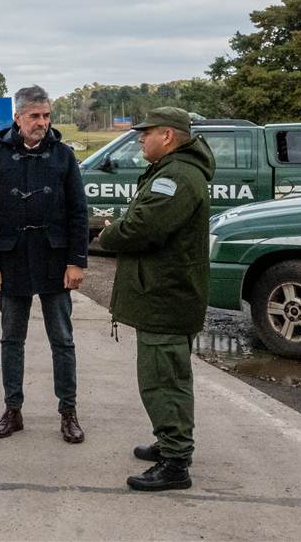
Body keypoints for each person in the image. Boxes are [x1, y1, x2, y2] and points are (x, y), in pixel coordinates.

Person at [98, 107, 215, 492]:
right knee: (164, 376)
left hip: (167, 296)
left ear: (167, 135)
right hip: (165, 293)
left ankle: (176, 462)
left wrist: (110, 234)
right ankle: (170, 442)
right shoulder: (174, 170)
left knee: (164, 380)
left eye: (145, 133)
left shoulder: (178, 175)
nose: (140, 139)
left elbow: (144, 227)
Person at [0, 85, 88, 444]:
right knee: (12, 339)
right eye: (35, 116)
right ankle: (13, 409)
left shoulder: (63, 156)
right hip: (12, 261)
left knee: (62, 340)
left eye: (46, 116)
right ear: (18, 118)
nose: (42, 122)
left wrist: (76, 261)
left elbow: (78, 213)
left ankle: (68, 411)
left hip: (56, 260)